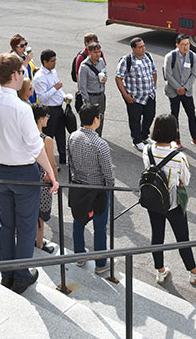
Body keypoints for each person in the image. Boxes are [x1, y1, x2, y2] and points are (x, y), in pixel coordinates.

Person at [0, 53, 59, 295]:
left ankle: (6, 272)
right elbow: (36, 147)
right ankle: (21, 273)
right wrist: (51, 173)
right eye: (22, 72)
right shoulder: (22, 108)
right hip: (23, 173)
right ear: (15, 75)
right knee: (26, 225)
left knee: (6, 224)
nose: (25, 76)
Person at [143, 114, 196, 286]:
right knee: (182, 238)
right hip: (173, 202)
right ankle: (194, 273)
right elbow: (186, 180)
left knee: (157, 235)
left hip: (154, 199)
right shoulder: (178, 156)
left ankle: (160, 271)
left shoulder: (147, 150)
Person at [67, 103, 113, 274]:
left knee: (78, 221)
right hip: (98, 190)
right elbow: (108, 173)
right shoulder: (100, 144)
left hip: (79, 186)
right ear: (95, 119)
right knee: (100, 227)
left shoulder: (73, 136)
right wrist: (110, 188)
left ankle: (79, 256)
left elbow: (70, 162)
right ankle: (101, 264)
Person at [115, 37, 157, 151]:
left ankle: (144, 136)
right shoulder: (126, 60)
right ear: (133, 49)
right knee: (135, 119)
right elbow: (118, 78)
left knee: (150, 115)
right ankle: (137, 140)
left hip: (149, 95)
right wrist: (125, 95)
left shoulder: (147, 56)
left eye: (144, 46)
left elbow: (154, 72)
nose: (143, 49)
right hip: (134, 97)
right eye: (140, 47)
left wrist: (153, 87)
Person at [163, 34, 196, 148]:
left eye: (187, 44)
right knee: (174, 115)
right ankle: (176, 139)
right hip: (173, 91)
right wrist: (177, 88)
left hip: (187, 91)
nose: (186, 47)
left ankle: (195, 138)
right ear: (177, 45)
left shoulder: (192, 56)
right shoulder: (170, 56)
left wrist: (185, 88)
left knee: (191, 114)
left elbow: (194, 74)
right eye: (183, 45)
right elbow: (168, 75)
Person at [32, 103, 58, 254]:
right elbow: (52, 165)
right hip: (43, 181)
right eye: (46, 116)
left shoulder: (24, 135)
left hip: (27, 178)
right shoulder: (46, 140)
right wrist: (55, 178)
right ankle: (39, 244)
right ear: (40, 119)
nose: (48, 119)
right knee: (40, 217)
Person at [33, 49, 67, 165]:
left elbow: (60, 89)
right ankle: (48, 160)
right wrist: (55, 88)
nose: (54, 63)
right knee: (49, 136)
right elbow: (42, 98)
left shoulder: (53, 71)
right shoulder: (39, 77)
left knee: (61, 134)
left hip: (59, 107)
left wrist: (64, 97)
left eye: (55, 60)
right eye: (52, 61)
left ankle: (63, 158)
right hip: (49, 109)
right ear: (45, 62)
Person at [77, 41, 107, 136]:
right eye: (95, 52)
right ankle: (86, 139)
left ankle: (98, 137)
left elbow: (105, 73)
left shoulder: (101, 61)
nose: (98, 54)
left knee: (100, 117)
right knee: (89, 120)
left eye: (99, 52)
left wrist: (104, 78)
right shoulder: (84, 66)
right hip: (91, 96)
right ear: (89, 52)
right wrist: (87, 102)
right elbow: (82, 86)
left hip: (101, 94)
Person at [10, 34, 37, 103]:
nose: (25, 47)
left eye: (25, 44)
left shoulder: (25, 54)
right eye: (22, 46)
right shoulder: (13, 58)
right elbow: (19, 72)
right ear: (16, 47)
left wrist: (35, 69)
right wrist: (27, 60)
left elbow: (30, 67)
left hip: (31, 87)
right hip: (23, 89)